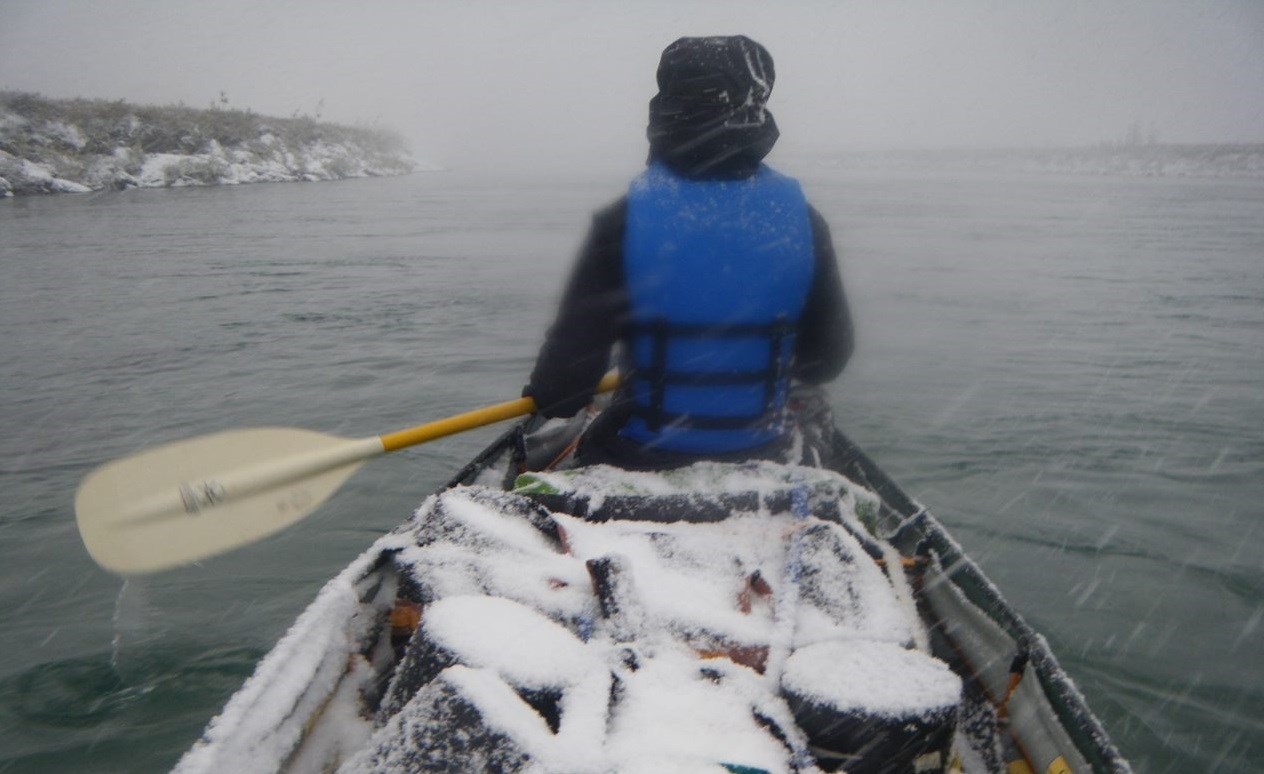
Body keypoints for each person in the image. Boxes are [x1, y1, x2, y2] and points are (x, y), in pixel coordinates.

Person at [525, 35, 853, 470]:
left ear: (665, 105)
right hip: (762, 452)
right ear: (756, 102)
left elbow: (564, 389)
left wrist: (555, 392)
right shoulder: (804, 221)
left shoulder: (622, 221)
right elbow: (826, 360)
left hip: (639, 456)